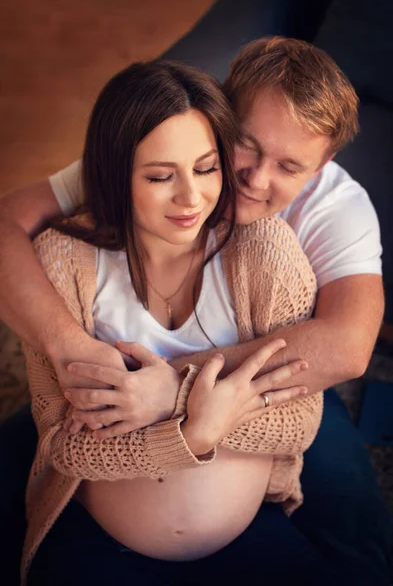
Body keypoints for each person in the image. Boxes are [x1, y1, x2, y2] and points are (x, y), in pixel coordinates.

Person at [0, 37, 391, 584]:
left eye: (289, 165)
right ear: (221, 113)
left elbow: (346, 350)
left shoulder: (329, 214)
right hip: (118, 389)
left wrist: (175, 398)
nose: (254, 179)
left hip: (279, 385)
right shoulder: (157, 155)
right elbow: (7, 227)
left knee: (358, 541)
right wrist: (70, 347)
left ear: (322, 164)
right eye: (245, 148)